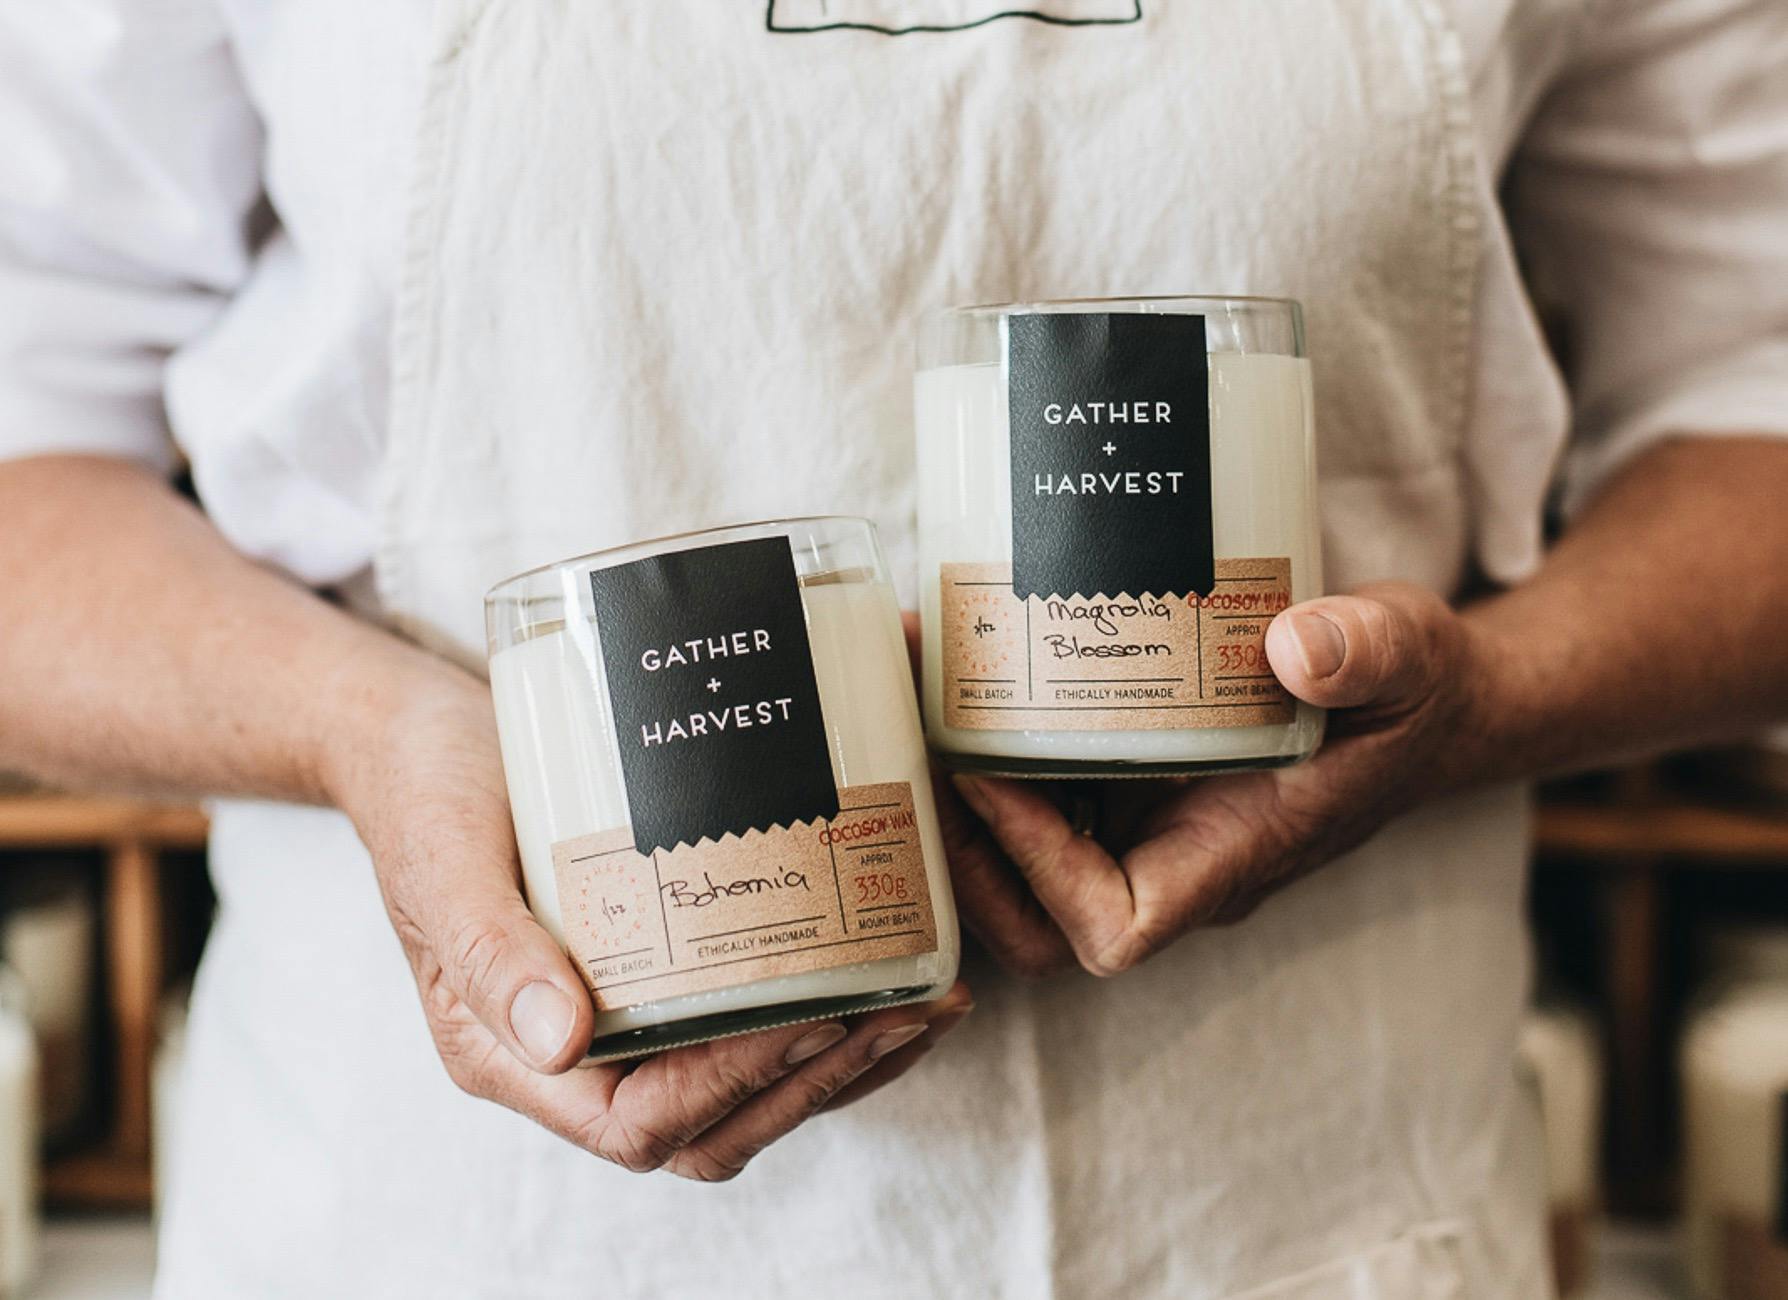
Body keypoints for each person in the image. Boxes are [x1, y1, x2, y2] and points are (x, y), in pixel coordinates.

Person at [2, 1, 1786, 1295]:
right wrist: (363, 734)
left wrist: (1482, 705)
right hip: (462, 1226)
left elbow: (1753, 397)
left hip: (1308, 1206)